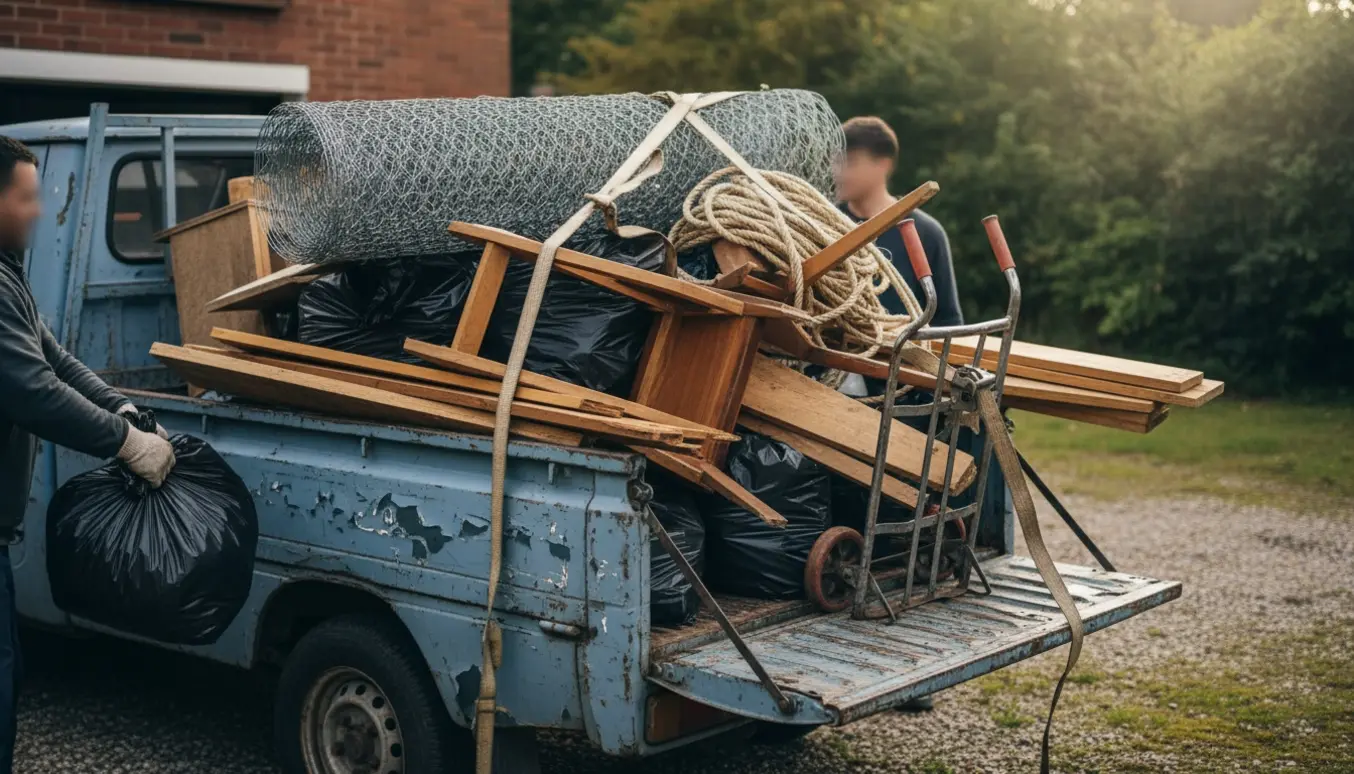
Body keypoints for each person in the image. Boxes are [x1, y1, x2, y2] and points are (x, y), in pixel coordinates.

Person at [0, 136, 176, 771]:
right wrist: (126, 443)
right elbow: (31, 390)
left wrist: (118, 404)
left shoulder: (7, 276)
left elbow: (53, 356)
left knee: (8, 675)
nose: (39, 210)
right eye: (25, 198)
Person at [835, 115, 964, 328]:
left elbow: (948, 321)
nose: (838, 172)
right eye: (835, 161)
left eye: (850, 163)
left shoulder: (926, 233)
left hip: (900, 358)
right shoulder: (822, 224)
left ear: (883, 165)